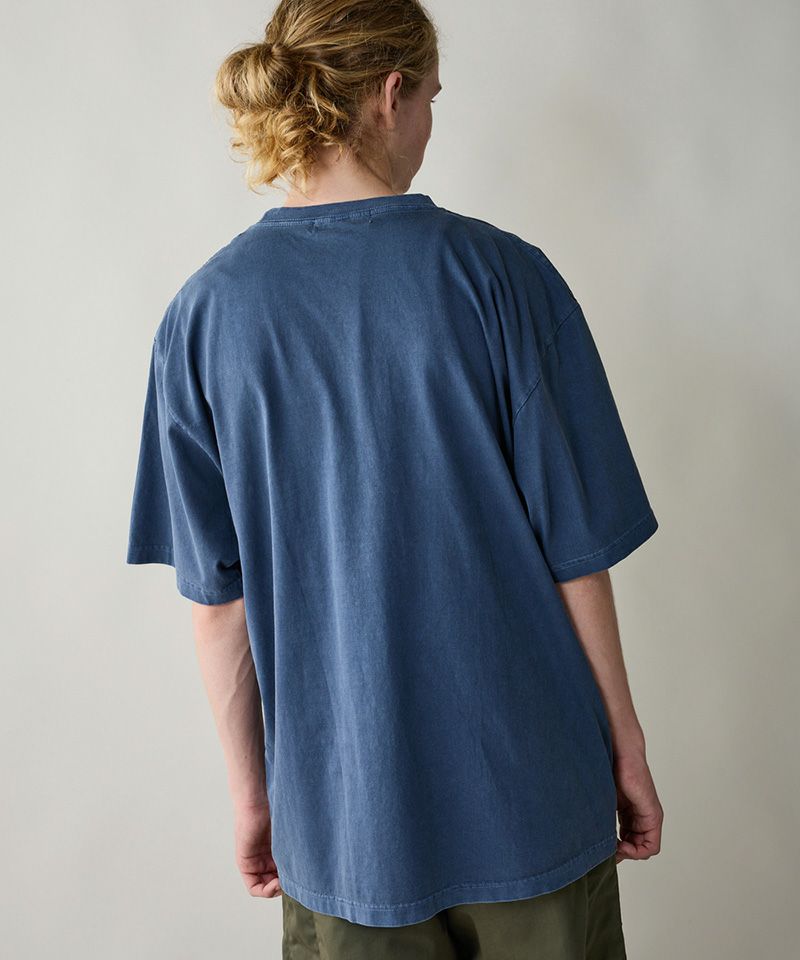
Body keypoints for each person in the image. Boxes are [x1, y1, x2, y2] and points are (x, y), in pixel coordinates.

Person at [126, 1, 663, 956]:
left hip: (343, 827)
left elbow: (218, 606)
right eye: (431, 100)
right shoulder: (505, 279)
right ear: (389, 95)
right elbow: (577, 557)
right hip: (534, 803)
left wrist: (254, 798)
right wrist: (627, 744)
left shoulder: (202, 317)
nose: (427, 125)